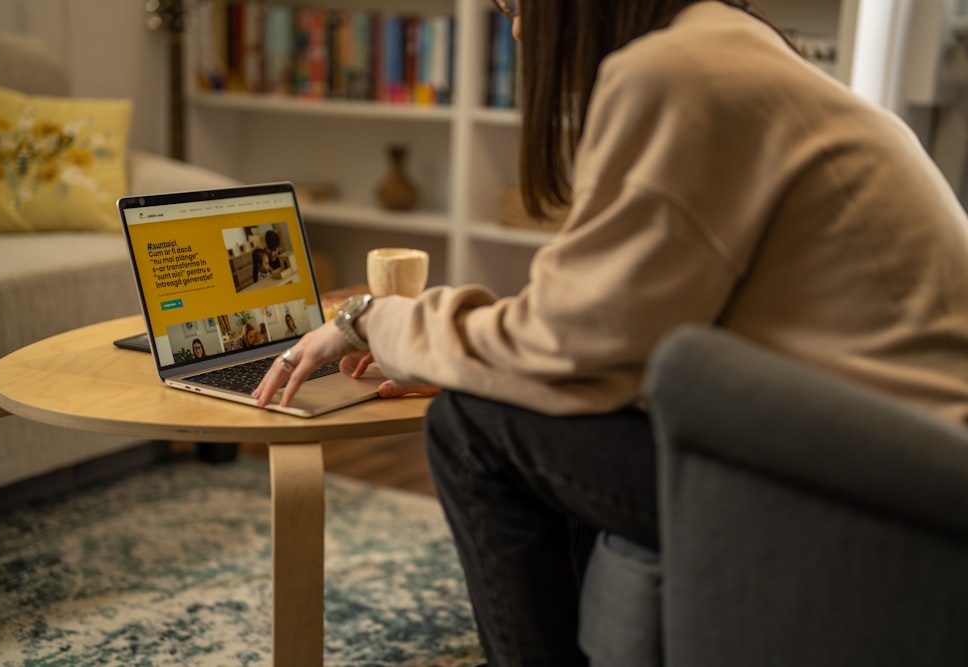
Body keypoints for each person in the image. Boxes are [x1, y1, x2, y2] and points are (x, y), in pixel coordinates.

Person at [255, 1, 968, 664]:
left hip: (887, 491)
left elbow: (566, 344)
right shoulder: (739, 52)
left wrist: (371, 317)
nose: (518, 33)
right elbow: (615, 333)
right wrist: (490, 358)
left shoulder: (679, 73)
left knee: (470, 425)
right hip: (899, 459)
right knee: (519, 399)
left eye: (513, 5)